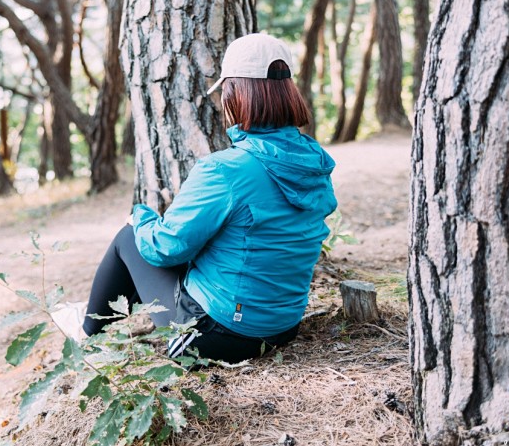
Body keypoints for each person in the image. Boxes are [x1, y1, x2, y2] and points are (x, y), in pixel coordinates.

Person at [77, 33, 337, 363]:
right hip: (282, 327)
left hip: (218, 337)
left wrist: (140, 217)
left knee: (131, 236)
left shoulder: (227, 169)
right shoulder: (313, 160)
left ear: (238, 95)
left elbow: (165, 247)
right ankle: (98, 328)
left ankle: (85, 336)